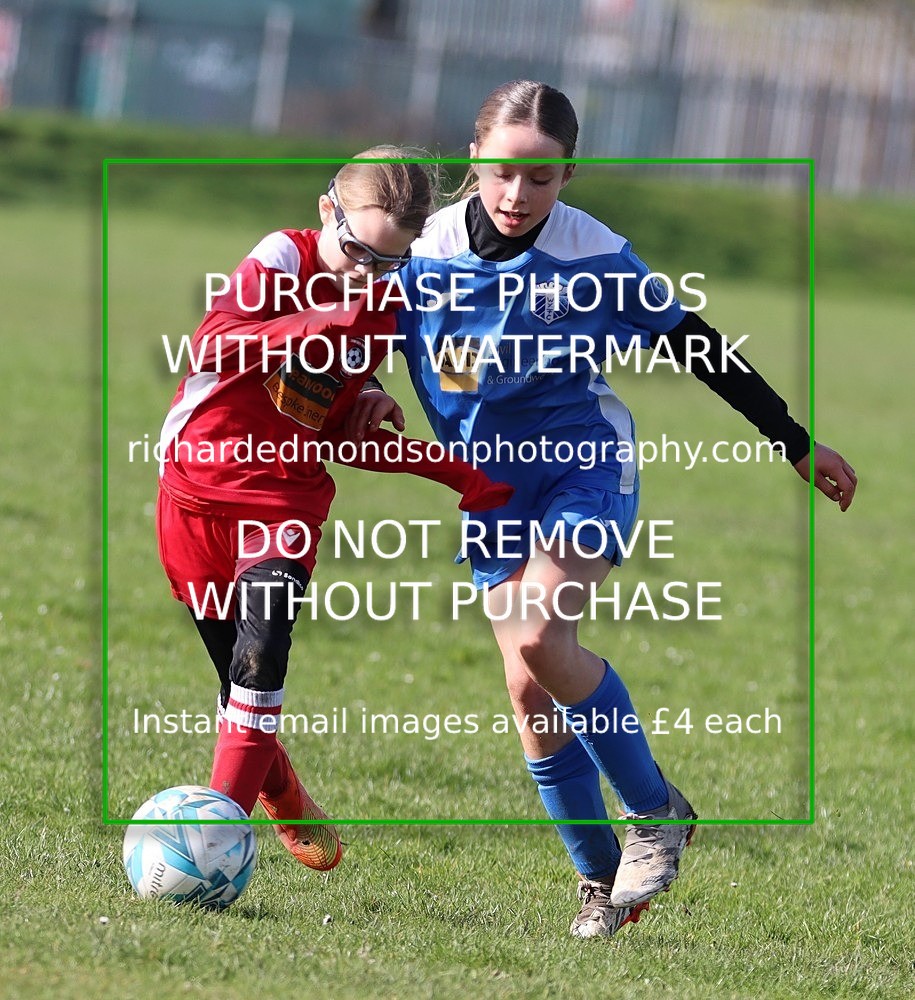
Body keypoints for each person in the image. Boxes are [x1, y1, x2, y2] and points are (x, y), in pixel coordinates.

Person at [384, 82, 857, 938]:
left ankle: (655, 811)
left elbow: (696, 344)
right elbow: (356, 335)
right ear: (473, 160)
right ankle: (601, 883)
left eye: (541, 178)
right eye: (500, 174)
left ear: (569, 174)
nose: (516, 196)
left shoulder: (593, 254)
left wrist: (793, 440)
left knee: (539, 638)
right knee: (529, 694)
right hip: (487, 487)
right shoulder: (421, 250)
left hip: (581, 466)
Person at [156, 149, 511, 873]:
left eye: (390, 262)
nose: (369, 273)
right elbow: (214, 346)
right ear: (327, 211)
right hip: (194, 486)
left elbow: (327, 407)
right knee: (233, 684)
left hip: (285, 497)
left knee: (261, 661)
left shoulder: (384, 294)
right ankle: (281, 790)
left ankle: (209, 850)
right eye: (356, 251)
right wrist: (327, 320)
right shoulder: (280, 260)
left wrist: (376, 407)